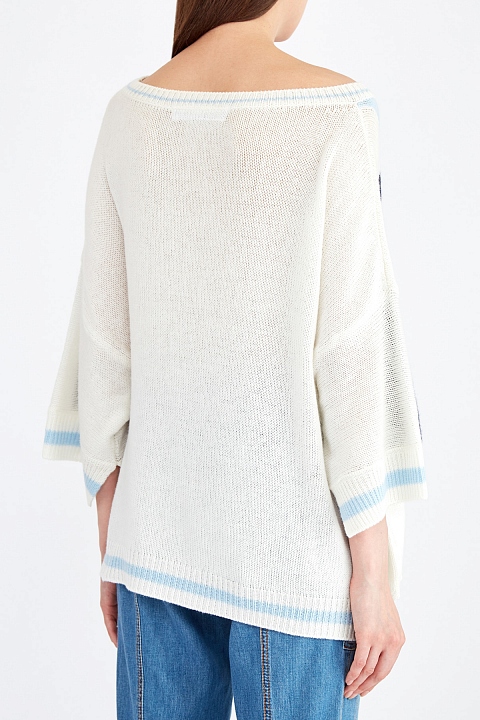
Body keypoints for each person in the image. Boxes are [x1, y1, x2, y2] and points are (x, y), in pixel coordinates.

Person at [42, 0, 428, 717]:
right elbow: (350, 355)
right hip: (295, 566)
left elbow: (104, 348)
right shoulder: (337, 116)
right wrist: (373, 573)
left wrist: (114, 541)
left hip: (153, 549)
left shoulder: (128, 114)